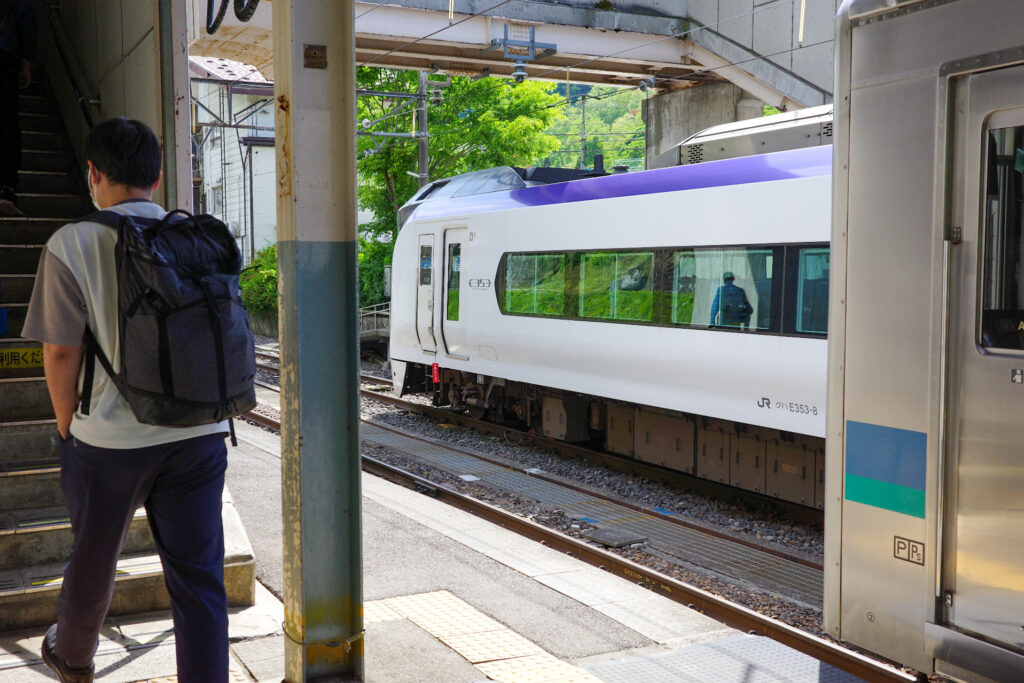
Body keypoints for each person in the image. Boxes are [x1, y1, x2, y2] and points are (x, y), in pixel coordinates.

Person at [23, 118, 230, 683]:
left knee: (93, 559)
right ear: (158, 178)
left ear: (93, 174)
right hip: (201, 433)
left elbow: (60, 355)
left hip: (110, 441)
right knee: (199, 578)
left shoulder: (72, 242)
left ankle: (74, 658)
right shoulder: (197, 237)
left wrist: (69, 428)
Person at [0, 0, 35, 216]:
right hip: (5, 58)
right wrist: (26, 65)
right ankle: (6, 190)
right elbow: (26, 25)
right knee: (6, 122)